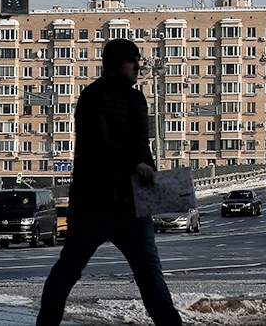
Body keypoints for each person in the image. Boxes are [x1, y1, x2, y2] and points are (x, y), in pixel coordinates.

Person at [37, 39, 183, 326]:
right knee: (70, 269)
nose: (138, 67)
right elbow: (97, 145)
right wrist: (137, 165)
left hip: (127, 202)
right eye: (133, 61)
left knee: (148, 273)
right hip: (96, 202)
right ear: (117, 63)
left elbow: (143, 146)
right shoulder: (94, 97)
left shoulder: (136, 99)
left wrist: (151, 173)